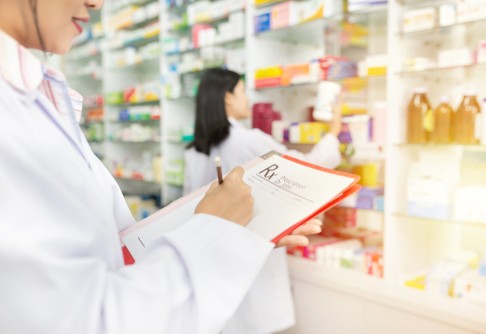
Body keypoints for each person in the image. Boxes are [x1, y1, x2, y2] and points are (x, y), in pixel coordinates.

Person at [0, 1, 321, 333]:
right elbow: (87, 320)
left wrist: (232, 228)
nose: (96, 2)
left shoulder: (37, 98)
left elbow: (117, 247)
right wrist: (216, 231)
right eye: (242, 94)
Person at [184, 68, 342, 333]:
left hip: (213, 263)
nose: (248, 100)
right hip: (253, 258)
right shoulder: (246, 140)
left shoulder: (195, 149)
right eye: (243, 92)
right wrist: (334, 130)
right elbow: (309, 167)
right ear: (227, 99)